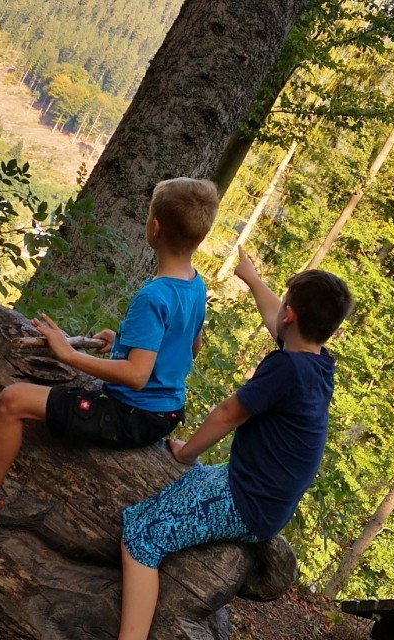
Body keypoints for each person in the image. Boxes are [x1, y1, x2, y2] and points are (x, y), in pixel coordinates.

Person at [0, 177, 219, 542]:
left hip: (131, 416)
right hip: (166, 413)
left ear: (155, 227)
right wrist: (123, 344)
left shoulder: (154, 296)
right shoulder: (194, 284)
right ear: (200, 237)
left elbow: (136, 376)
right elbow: (189, 348)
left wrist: (68, 354)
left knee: (12, 400)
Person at [116, 248, 353, 639]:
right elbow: (278, 318)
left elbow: (228, 414)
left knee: (142, 535)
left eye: (285, 304)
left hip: (246, 501)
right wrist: (252, 278)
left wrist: (186, 452)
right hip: (263, 497)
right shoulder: (316, 363)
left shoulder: (286, 368)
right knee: (181, 490)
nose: (279, 310)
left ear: (290, 316)